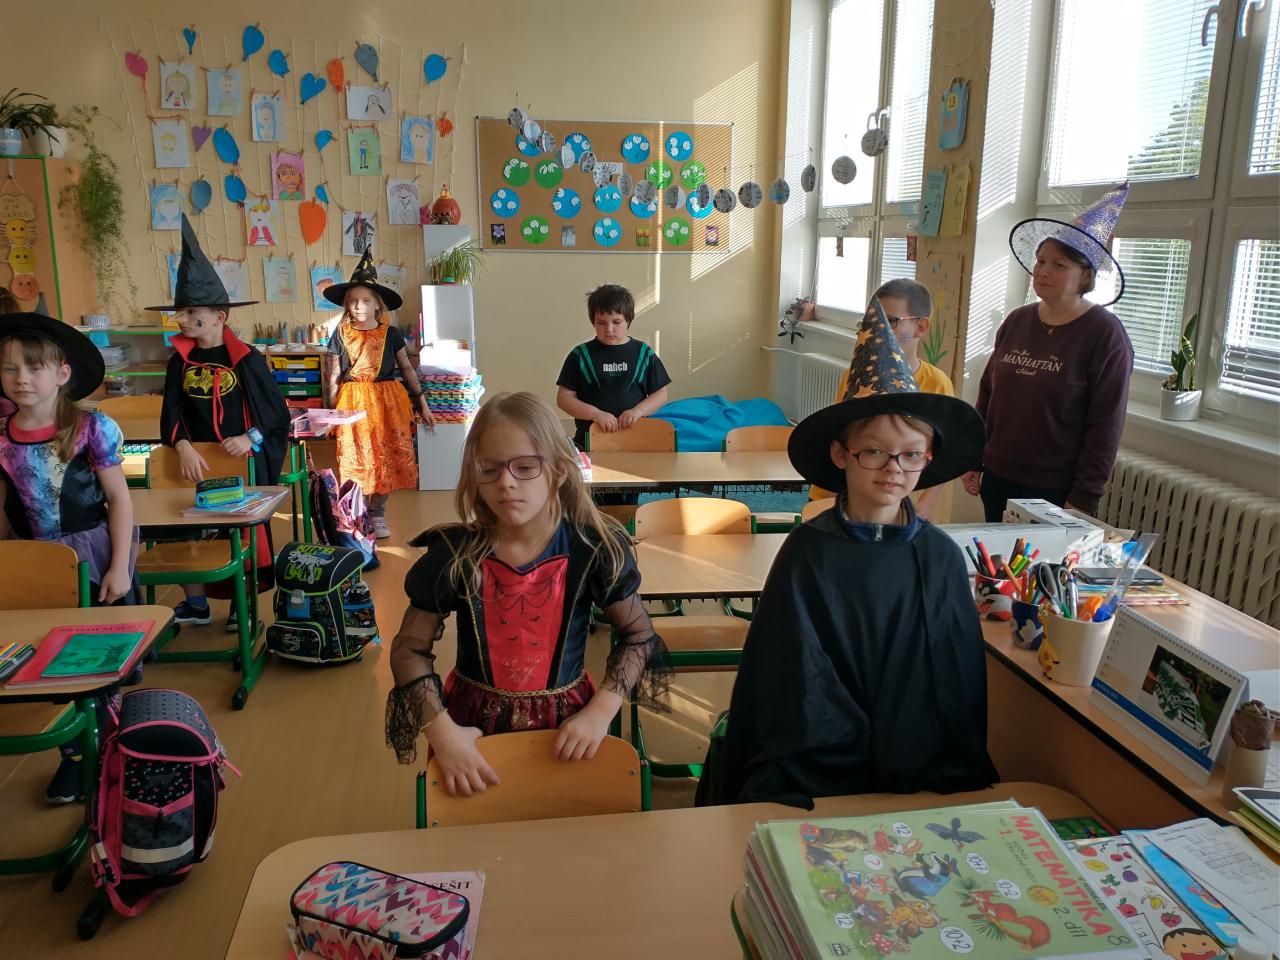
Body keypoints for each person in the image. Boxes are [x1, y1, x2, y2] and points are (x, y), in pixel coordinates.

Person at [707, 300, 997, 808]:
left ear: (928, 457)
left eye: (911, 454)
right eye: (874, 451)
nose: (893, 469)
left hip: (916, 774)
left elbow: (953, 687)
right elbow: (788, 680)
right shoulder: (807, 553)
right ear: (841, 454)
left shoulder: (940, 559)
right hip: (820, 770)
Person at [385, 391, 670, 796]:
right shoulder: (453, 554)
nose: (506, 482)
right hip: (470, 735)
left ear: (558, 471)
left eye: (525, 467)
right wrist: (444, 734)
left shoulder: (593, 550)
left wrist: (600, 712)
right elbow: (408, 650)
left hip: (569, 730)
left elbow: (639, 636)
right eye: (489, 469)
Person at [0, 311, 138, 803]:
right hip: (31, 559)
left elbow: (119, 499)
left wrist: (118, 565)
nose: (21, 379)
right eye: (9, 368)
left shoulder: (90, 428)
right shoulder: (1, 435)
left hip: (90, 556)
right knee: (44, 654)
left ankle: (108, 746)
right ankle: (76, 755)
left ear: (62, 373)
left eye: (33, 367)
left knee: (91, 655)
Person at [150, 215, 291, 627]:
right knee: (190, 530)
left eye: (191, 311)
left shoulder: (247, 360)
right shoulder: (179, 363)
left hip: (239, 463)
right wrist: (181, 445)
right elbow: (171, 410)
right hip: (195, 462)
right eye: (181, 311)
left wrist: (250, 438)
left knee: (239, 533)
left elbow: (276, 414)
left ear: (219, 316)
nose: (182, 318)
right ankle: (196, 603)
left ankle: (239, 606)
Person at [963, 184, 1134, 521]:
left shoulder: (1104, 334)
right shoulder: (1016, 321)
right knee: (995, 555)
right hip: (998, 476)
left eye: (1059, 265)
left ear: (1085, 275)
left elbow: (1106, 425)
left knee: (1041, 560)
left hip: (1056, 490)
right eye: (1041, 261)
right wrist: (973, 458)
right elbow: (987, 395)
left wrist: (1083, 497)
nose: (1043, 271)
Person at [810, 278, 955, 520]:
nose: (877, 331)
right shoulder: (856, 376)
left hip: (895, 502)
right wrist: (832, 500)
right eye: (871, 323)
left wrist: (925, 505)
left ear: (920, 326)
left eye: (891, 321)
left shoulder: (936, 384)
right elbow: (840, 433)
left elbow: (942, 451)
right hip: (841, 495)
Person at [324, 248, 435, 540]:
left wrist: (422, 403)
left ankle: (377, 513)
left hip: (388, 403)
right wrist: (330, 412)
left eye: (365, 300)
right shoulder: (340, 334)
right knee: (356, 457)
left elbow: (407, 369)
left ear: (377, 305)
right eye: (353, 301)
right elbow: (332, 375)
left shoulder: (392, 333)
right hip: (353, 403)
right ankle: (358, 513)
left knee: (387, 456)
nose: (358, 306)